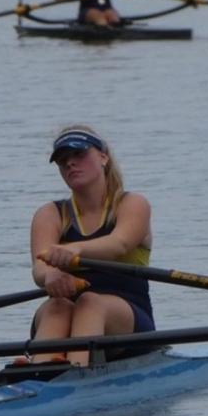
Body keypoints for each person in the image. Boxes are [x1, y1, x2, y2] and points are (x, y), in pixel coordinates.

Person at [29, 126, 154, 366]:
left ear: (103, 157)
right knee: (57, 306)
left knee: (89, 302)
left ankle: (77, 371)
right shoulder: (49, 214)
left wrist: (76, 250)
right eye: (63, 160)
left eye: (79, 154)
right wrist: (50, 275)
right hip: (63, 315)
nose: (70, 163)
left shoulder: (132, 204)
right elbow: (39, 268)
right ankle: (37, 375)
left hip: (128, 321)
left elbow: (119, 244)